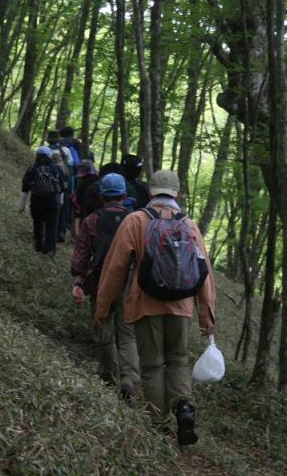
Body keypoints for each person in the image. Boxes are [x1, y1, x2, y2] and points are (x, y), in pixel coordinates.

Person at [94, 170, 216, 446]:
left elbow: (114, 270)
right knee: (178, 359)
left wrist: (102, 309)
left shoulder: (135, 220)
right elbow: (204, 272)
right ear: (177, 195)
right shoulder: (190, 225)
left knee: (151, 366)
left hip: (144, 303)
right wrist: (206, 316)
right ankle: (184, 406)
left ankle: (157, 424)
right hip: (181, 306)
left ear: (150, 193)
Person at [71, 173, 140, 398]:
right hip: (129, 284)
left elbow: (81, 254)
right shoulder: (136, 221)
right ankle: (129, 378)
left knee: (104, 329)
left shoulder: (92, 220)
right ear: (124, 195)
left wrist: (78, 282)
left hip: (100, 281)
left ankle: (108, 377)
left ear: (101, 196)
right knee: (127, 334)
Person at [19, 146, 65, 257]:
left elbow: (25, 187)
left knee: (37, 223)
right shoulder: (55, 168)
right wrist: (61, 201)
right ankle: (50, 249)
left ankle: (38, 245)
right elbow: (62, 186)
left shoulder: (32, 169)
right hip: (52, 201)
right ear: (49, 156)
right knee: (51, 226)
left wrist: (22, 205)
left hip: (36, 201)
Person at [72, 159, 98, 237]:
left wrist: (77, 231)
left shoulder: (81, 186)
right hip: (99, 220)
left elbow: (77, 207)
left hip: (85, 219)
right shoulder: (100, 182)